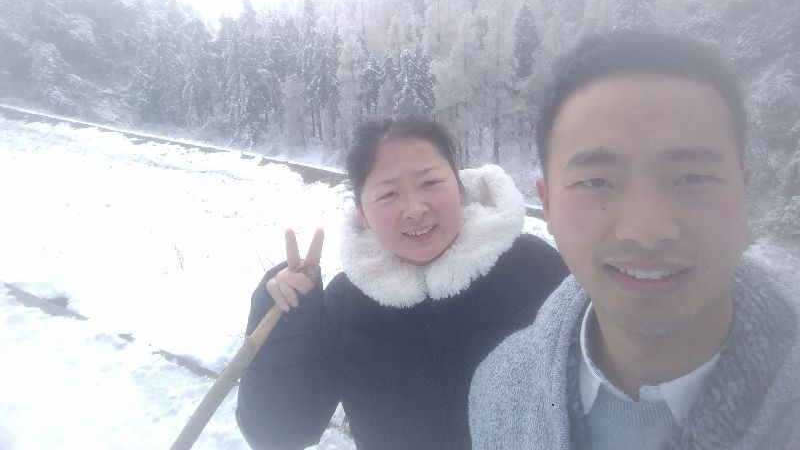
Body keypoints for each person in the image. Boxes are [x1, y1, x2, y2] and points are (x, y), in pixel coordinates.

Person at [469, 30, 800, 449]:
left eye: (693, 178)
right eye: (596, 181)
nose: (647, 230)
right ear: (547, 204)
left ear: (744, 190)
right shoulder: (498, 388)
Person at [236, 117, 568, 450]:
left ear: (459, 186)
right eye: (389, 193)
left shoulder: (534, 268)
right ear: (362, 213)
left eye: (430, 183)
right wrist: (288, 320)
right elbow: (278, 434)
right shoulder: (347, 304)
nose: (414, 209)